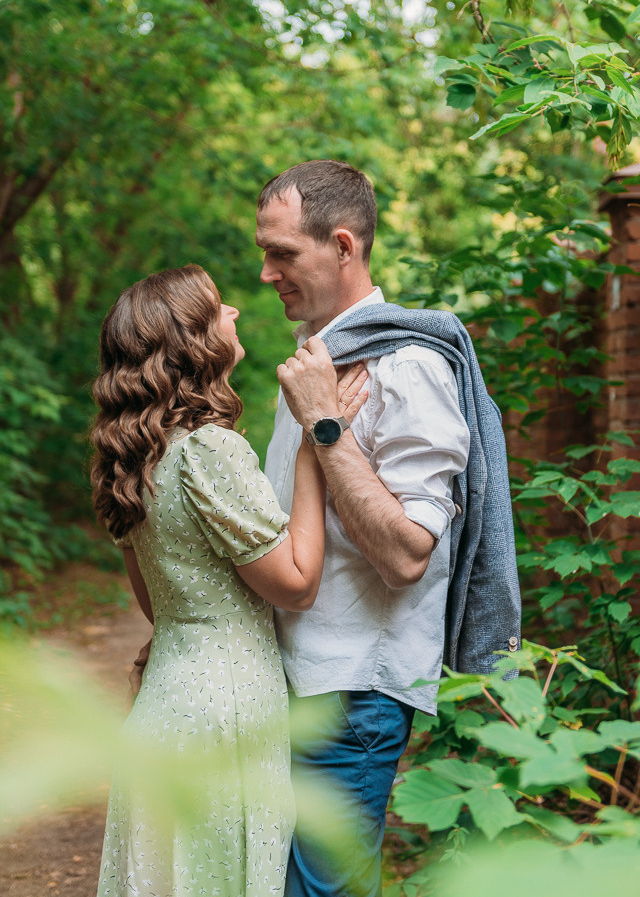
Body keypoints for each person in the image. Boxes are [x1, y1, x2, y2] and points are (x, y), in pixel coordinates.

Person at [255, 160, 521, 897]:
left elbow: (407, 555)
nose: (266, 273)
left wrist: (325, 424)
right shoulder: (318, 362)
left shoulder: (407, 367)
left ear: (342, 246)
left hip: (352, 692)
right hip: (296, 681)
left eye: (283, 253)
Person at [90, 264, 368, 897]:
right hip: (227, 713)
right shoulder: (210, 449)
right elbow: (296, 583)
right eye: (219, 307)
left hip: (162, 708)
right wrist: (313, 445)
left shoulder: (131, 460)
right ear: (191, 340)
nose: (235, 312)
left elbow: (158, 607)